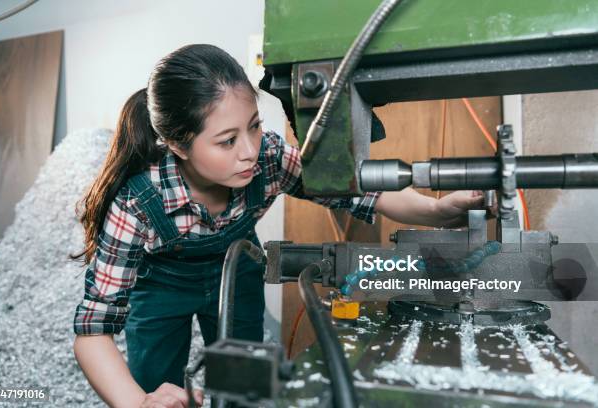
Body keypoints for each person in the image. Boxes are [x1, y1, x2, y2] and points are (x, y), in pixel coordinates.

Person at [72, 44, 486, 408]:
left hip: (235, 270)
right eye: (227, 141)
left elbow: (360, 193)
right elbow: (93, 330)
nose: (250, 151)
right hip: (161, 288)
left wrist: (435, 211)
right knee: (157, 386)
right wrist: (138, 402)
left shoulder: (269, 157)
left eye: (253, 125)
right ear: (178, 145)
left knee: (245, 380)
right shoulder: (139, 203)